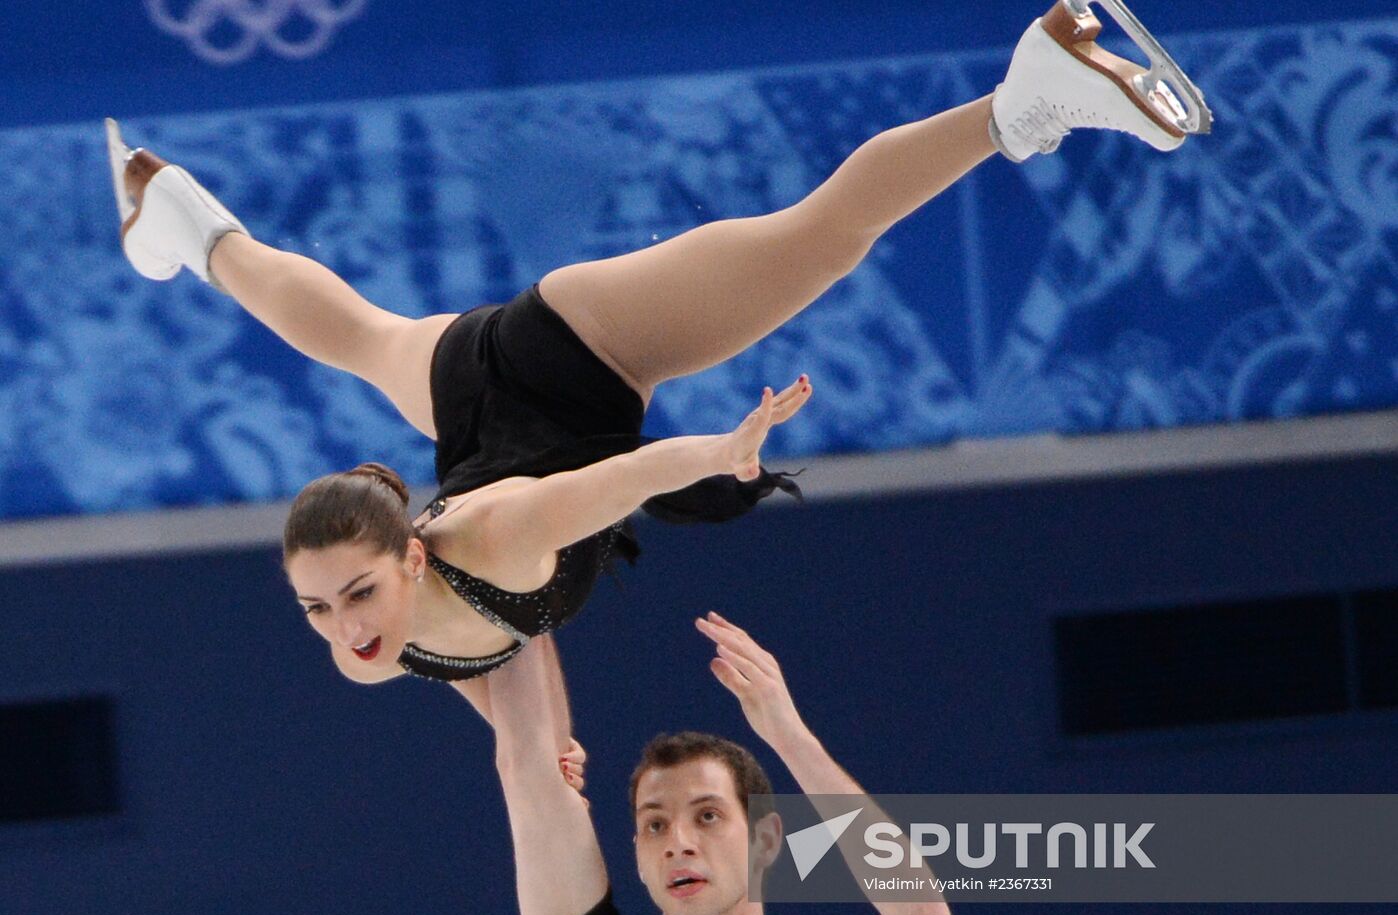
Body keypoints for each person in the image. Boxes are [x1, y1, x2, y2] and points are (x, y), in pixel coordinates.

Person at [106, 2, 1209, 687]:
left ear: (410, 554)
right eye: (324, 607)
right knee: (355, 334)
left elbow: (618, 479)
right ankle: (185, 225)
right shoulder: (399, 643)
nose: (342, 628)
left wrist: (719, 458)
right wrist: (543, 748)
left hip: (568, 359)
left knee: (818, 239)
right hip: (462, 398)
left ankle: (1029, 94)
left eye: (344, 595)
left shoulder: (491, 534)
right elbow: (502, 676)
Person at [483, 612, 953, 915]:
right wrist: (520, 572)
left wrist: (789, 737)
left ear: (766, 840)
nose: (677, 844)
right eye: (655, 825)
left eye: (707, 816)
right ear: (639, 859)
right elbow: (526, 763)